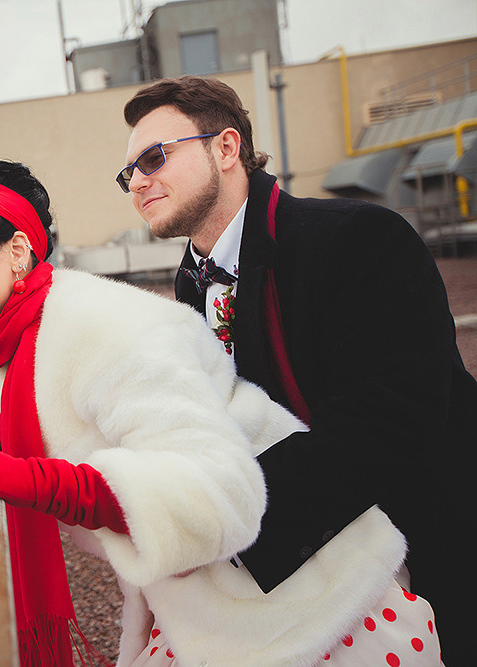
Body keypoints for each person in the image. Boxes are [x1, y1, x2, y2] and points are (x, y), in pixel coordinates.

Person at [0, 161, 416, 665]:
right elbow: (56, 410)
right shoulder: (14, 343)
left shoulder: (104, 325)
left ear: (19, 252)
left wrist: (33, 482)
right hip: (226, 605)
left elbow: (216, 491)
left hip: (313, 608)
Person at [117, 75, 475, 663]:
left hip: (425, 542)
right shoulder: (192, 280)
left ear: (226, 148)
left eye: (154, 157)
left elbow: (392, 417)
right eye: (128, 171)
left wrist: (219, 521)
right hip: (309, 563)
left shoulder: (359, 237)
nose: (138, 179)